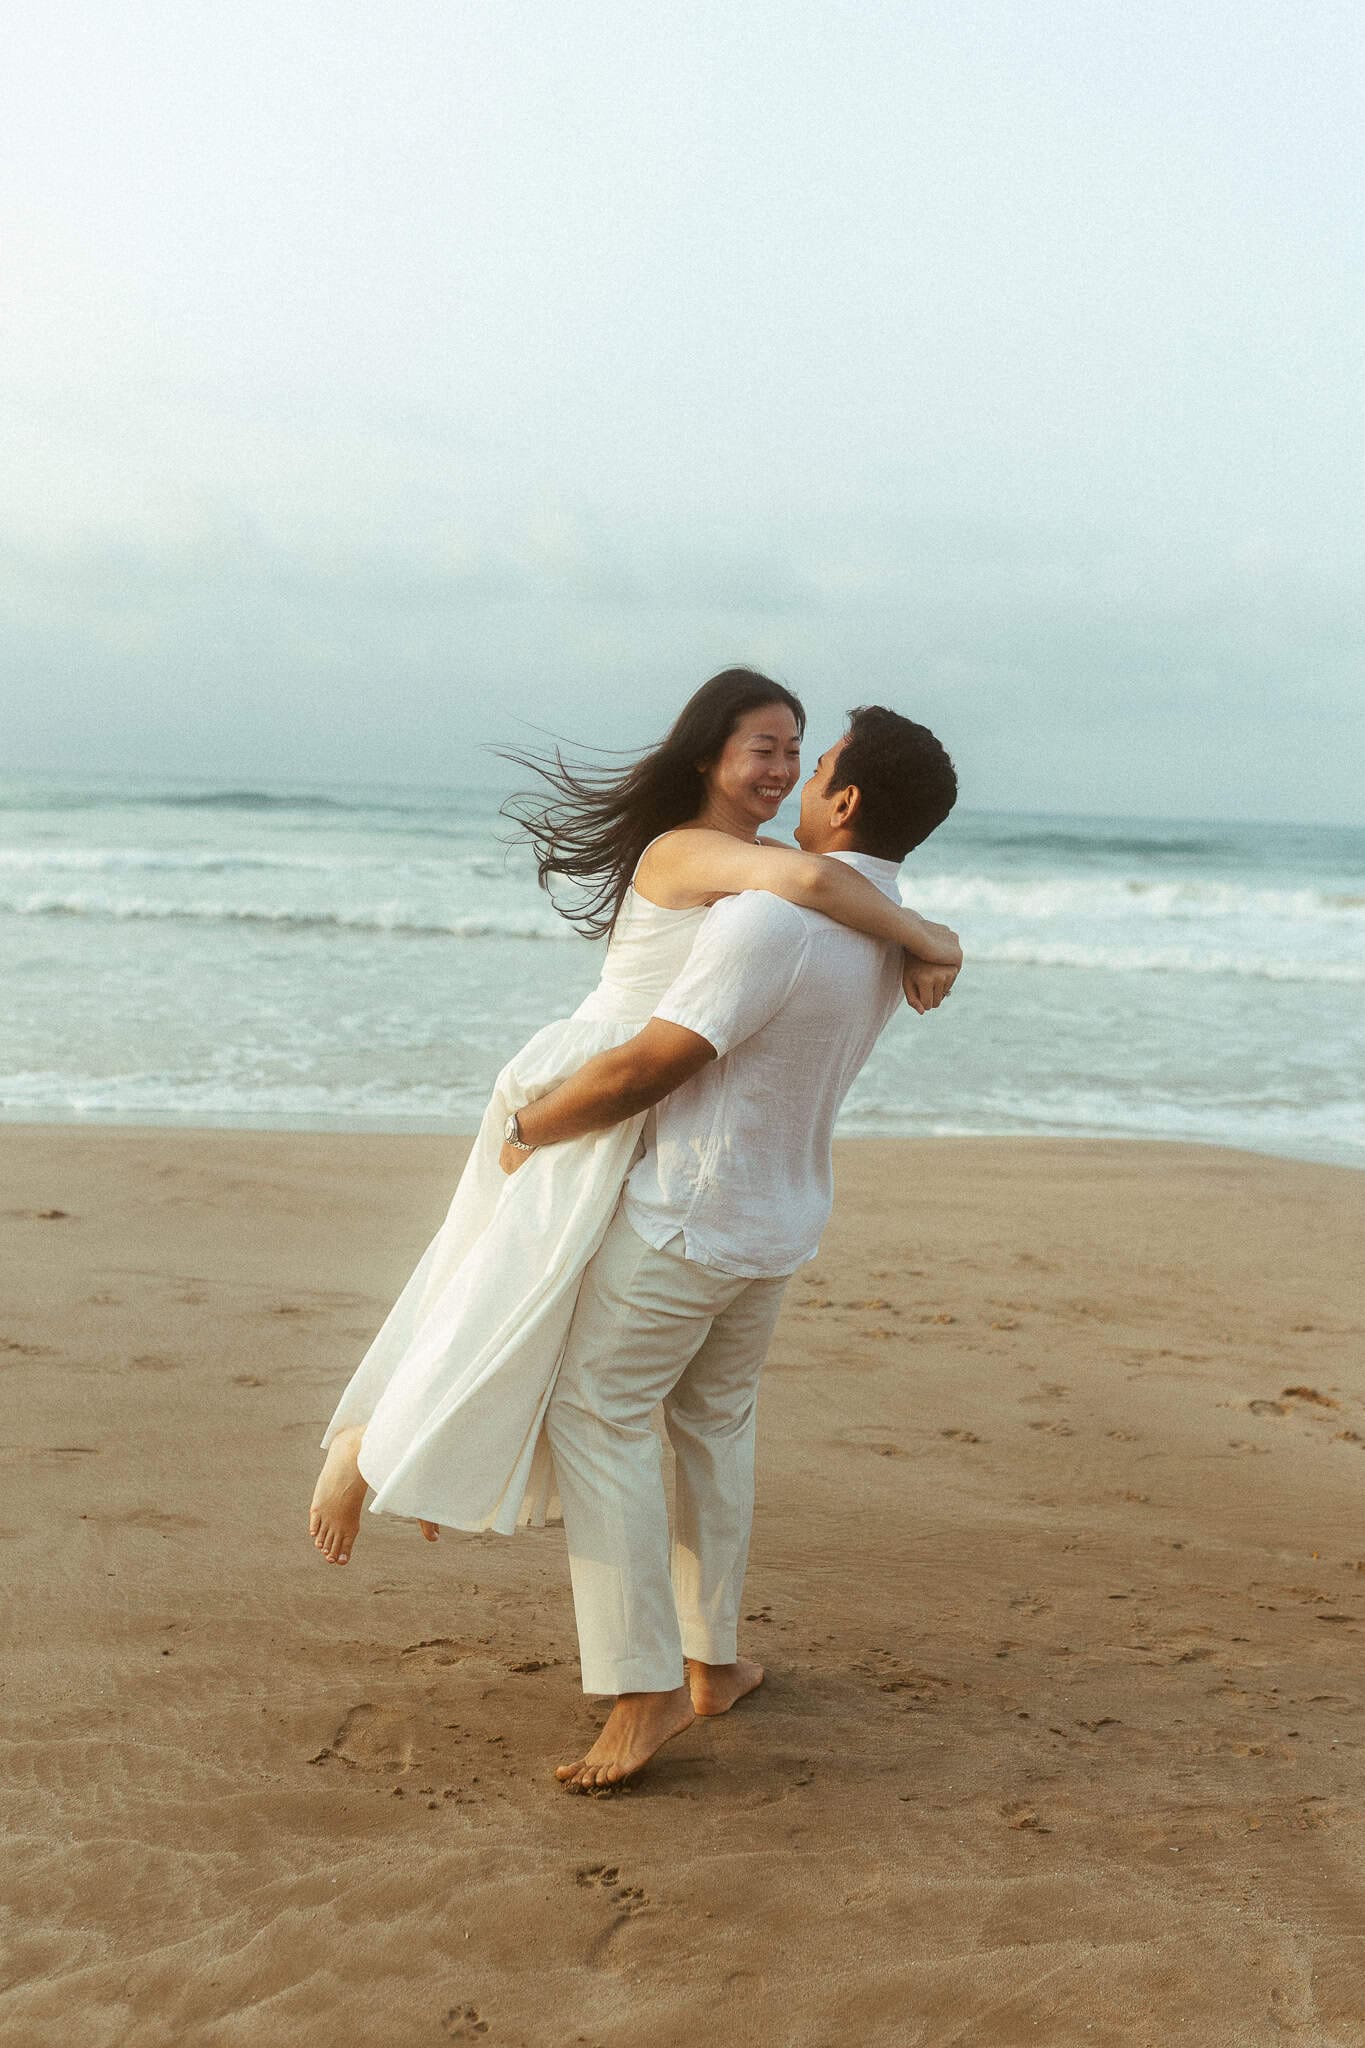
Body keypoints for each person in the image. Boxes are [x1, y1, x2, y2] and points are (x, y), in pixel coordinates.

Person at [308, 672, 960, 1565]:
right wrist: (931, 938)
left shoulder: (756, 858)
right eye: (763, 749)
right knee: (504, 1283)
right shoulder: (685, 849)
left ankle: (420, 1460)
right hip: (588, 1083)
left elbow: (815, 889)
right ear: (707, 755)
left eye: (796, 752)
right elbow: (813, 876)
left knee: (529, 1292)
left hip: (641, 1096)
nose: (783, 769)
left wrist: (915, 931)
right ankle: (372, 1449)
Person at [493, 704, 959, 1788]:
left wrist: (531, 1124)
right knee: (714, 1422)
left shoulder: (770, 920)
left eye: (818, 765)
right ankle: (712, 1657)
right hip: (780, 1217)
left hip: (688, 1219)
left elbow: (653, 1062)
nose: (799, 779)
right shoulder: (894, 925)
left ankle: (644, 1684)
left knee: (599, 1409)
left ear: (842, 802)